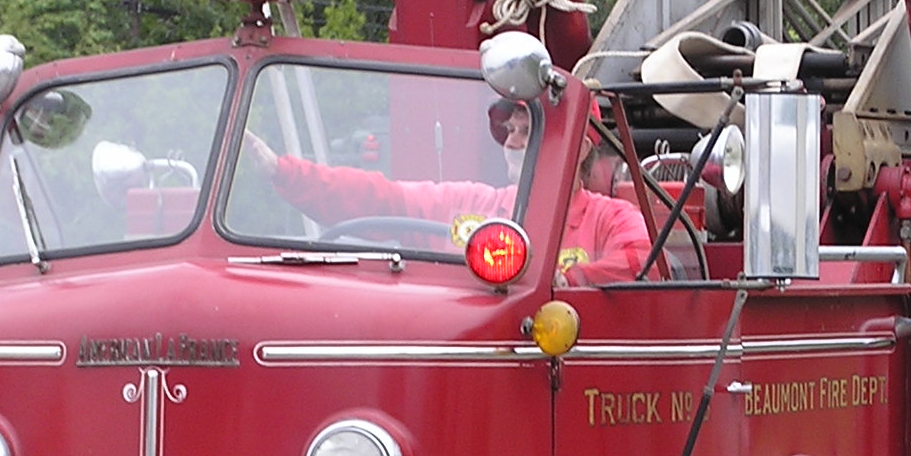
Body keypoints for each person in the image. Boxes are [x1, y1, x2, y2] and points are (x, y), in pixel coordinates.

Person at [246, 107, 651, 287]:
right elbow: (380, 198)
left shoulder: (611, 217)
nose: (511, 142)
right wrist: (283, 171)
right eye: (509, 131)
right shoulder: (471, 205)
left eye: (527, 132)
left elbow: (640, 261)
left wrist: (568, 280)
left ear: (577, 149)